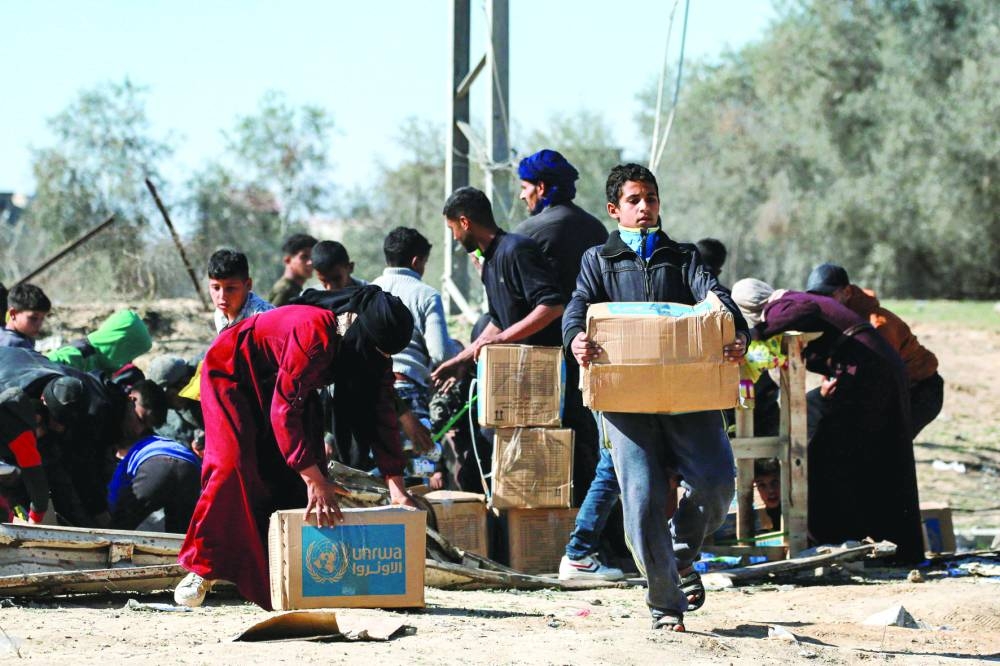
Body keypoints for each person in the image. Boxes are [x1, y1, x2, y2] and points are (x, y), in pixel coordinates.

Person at [563, 163, 749, 631]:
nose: (645, 207)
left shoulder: (683, 256)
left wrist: (736, 330)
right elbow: (577, 307)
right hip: (626, 403)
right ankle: (665, 605)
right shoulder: (597, 260)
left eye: (651, 198)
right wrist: (576, 339)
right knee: (642, 502)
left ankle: (681, 555)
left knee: (716, 483)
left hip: (690, 399)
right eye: (634, 200)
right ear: (614, 210)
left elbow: (715, 297)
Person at [175, 286, 415, 609]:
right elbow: (283, 411)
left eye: (388, 355)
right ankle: (200, 569)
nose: (381, 360)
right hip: (232, 374)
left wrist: (396, 487)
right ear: (362, 329)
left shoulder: (373, 351)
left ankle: (286, 575)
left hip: (284, 385)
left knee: (291, 477)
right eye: (380, 352)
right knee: (232, 466)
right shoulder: (316, 335)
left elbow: (381, 412)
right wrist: (316, 480)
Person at [733, 278, 925, 563]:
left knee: (829, 456)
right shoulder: (787, 304)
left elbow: (804, 314)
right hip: (875, 371)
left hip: (869, 373)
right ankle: (880, 543)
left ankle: (836, 541)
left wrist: (756, 332)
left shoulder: (782, 305)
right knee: (874, 455)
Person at [513, 149, 608, 508]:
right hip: (590, 353)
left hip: (541, 360)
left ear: (541, 186)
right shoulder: (595, 228)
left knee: (545, 449)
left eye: (525, 187)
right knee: (588, 442)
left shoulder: (527, 235)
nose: (523, 195)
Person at [806, 262, 944, 438]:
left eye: (828, 296)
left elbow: (882, 378)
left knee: (884, 446)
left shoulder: (878, 327)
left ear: (846, 293)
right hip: (880, 387)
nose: (822, 303)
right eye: (817, 298)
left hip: (917, 391)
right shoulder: (836, 316)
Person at [372, 227, 458, 489]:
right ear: (416, 261)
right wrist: (459, 349)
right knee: (416, 479)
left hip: (373, 392)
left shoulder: (368, 291)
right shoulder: (426, 294)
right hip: (410, 393)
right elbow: (440, 353)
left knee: (381, 478)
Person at [108, 379, 201, 533]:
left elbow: (116, 491)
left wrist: (110, 516)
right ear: (131, 399)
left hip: (159, 465)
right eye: (139, 419)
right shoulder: (159, 442)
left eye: (144, 424)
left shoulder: (134, 453)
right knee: (179, 538)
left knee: (118, 529)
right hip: (191, 466)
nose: (138, 429)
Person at [0, 387, 51, 523]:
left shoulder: (16, 426)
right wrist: (35, 518)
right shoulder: (20, 433)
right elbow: (36, 479)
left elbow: (35, 480)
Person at [47, 310, 153, 373]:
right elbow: (39, 366)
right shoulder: (77, 355)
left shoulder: (103, 364)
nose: (129, 362)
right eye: (130, 355)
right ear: (119, 344)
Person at [207, 249, 274, 334]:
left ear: (248, 285)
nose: (222, 296)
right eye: (216, 288)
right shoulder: (220, 311)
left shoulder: (263, 318)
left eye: (230, 288)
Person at [267, 233, 317, 306]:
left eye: (312, 257)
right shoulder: (285, 290)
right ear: (288, 260)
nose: (310, 262)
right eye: (304, 257)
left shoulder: (293, 288)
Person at [1, 283, 51, 350]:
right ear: (13, 314)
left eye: (42, 318)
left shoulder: (26, 336)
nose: (39, 324)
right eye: (33, 318)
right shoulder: (11, 346)